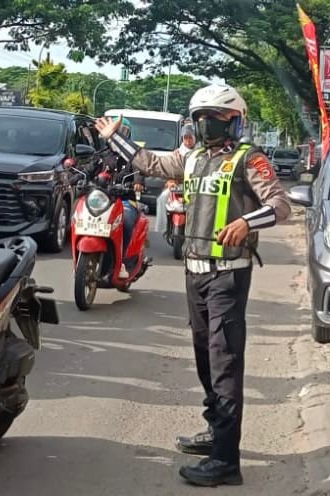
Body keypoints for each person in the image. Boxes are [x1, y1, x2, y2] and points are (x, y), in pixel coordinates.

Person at [96, 84, 290, 487]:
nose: (206, 127)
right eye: (201, 120)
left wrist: (246, 222)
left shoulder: (249, 159)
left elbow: (280, 205)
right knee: (204, 357)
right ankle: (216, 432)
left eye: (215, 120)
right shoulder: (192, 157)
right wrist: (115, 138)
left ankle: (226, 461)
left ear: (234, 122)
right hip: (195, 272)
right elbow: (151, 163)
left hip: (228, 274)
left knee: (224, 362)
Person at [155, 123, 197, 239]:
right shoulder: (176, 153)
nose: (188, 141)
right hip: (178, 186)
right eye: (185, 138)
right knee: (162, 198)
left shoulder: (201, 153)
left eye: (190, 137)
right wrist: (170, 181)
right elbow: (168, 169)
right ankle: (161, 231)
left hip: (195, 187)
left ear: (195, 138)